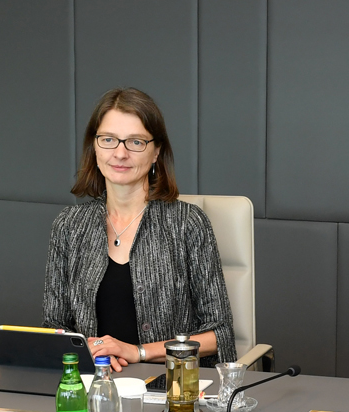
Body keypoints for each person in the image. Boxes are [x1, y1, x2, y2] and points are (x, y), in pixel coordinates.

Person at [43, 88, 235, 370]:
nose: (120, 153)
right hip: (94, 381)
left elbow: (220, 334)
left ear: (156, 151)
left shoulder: (188, 223)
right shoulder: (69, 225)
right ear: (94, 147)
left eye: (135, 142)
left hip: (172, 384)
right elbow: (54, 327)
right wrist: (91, 352)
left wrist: (138, 352)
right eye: (108, 139)